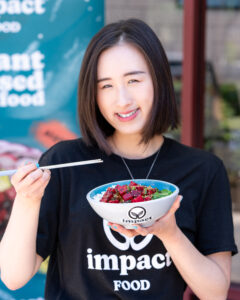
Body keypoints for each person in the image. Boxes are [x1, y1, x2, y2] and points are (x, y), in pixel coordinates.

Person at [0, 18, 238, 300]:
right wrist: (28, 199)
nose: (122, 99)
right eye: (106, 86)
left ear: (159, 80)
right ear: (93, 93)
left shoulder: (203, 170)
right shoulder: (64, 161)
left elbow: (215, 293)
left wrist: (170, 233)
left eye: (134, 80)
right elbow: (13, 277)